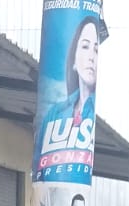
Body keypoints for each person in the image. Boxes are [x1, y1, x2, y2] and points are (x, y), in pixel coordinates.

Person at [35, 16, 99, 180]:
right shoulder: (54, 113)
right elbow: (37, 165)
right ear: (74, 59)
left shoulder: (92, 115)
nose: (91, 57)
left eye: (96, 49)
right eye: (85, 46)